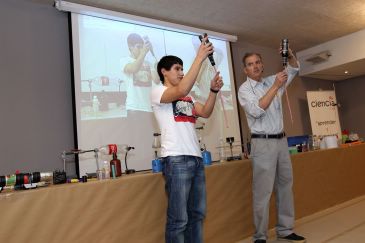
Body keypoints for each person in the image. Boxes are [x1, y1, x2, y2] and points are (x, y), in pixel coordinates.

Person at [150, 37, 223, 243]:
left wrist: (213, 91)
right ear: (163, 71)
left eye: (183, 68)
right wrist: (200, 57)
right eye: (177, 68)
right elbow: (181, 89)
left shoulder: (188, 98)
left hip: (196, 159)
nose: (181, 72)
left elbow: (206, 112)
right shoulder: (158, 92)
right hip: (175, 159)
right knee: (179, 220)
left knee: (197, 216)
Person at [237, 46, 306, 243]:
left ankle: (285, 229)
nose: (255, 66)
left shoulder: (271, 80)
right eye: (250, 64)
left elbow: (293, 69)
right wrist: (276, 86)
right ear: (245, 70)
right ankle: (260, 236)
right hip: (262, 143)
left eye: (258, 62)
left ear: (262, 64)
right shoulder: (244, 90)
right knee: (263, 192)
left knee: (285, 187)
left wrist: (290, 55)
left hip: (281, 141)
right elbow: (258, 110)